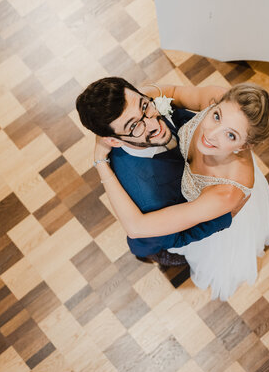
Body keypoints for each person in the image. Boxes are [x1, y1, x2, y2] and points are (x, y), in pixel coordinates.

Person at [93, 83, 269, 301]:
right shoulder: (215, 98)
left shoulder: (226, 192)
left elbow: (136, 227)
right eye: (216, 117)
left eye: (231, 135)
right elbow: (171, 92)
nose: (210, 134)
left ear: (245, 146)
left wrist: (100, 162)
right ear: (217, 104)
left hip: (208, 214)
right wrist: (123, 120)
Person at [76, 77, 234, 267]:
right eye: (134, 126)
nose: (154, 125)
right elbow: (175, 238)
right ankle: (154, 256)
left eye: (144, 107)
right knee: (153, 247)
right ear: (114, 141)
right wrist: (228, 213)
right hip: (158, 236)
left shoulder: (152, 107)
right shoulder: (148, 196)